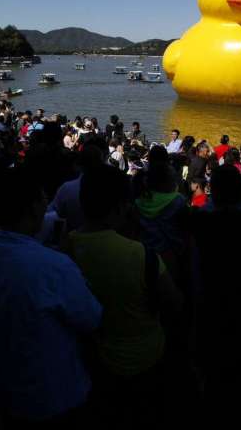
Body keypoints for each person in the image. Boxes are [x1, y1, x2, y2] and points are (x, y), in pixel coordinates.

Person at [0, 168, 102, 423]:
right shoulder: (54, 265)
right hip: (55, 394)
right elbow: (91, 317)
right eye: (44, 199)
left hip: (4, 386)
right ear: (33, 209)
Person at [67, 166, 182, 424]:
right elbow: (174, 304)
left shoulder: (65, 245)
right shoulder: (141, 255)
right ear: (121, 206)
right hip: (144, 359)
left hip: (91, 358)